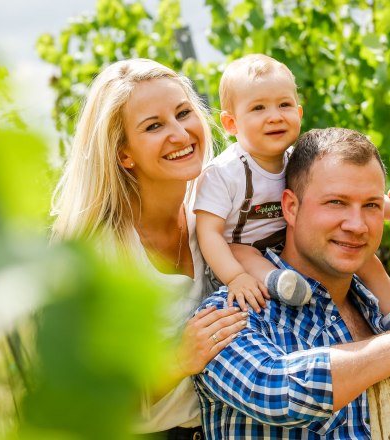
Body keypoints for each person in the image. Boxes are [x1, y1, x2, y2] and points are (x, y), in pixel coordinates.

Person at [192, 127, 390, 438]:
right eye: (336, 203)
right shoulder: (235, 311)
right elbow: (277, 393)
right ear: (290, 207)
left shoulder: (381, 304)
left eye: (371, 205)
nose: (357, 225)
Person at [49, 59, 248, 439]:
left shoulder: (211, 213)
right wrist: (176, 360)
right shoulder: (97, 255)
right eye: (154, 126)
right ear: (124, 154)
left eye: (183, 113)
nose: (180, 133)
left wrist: (385, 206)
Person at [194, 54, 390, 332]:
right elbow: (209, 233)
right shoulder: (224, 173)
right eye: (258, 108)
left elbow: (355, 201)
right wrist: (235, 276)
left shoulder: (297, 160)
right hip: (237, 256)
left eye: (284, 105)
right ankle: (283, 286)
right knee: (243, 252)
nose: (274, 116)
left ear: (298, 114)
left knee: (366, 257)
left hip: (286, 249)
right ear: (231, 124)